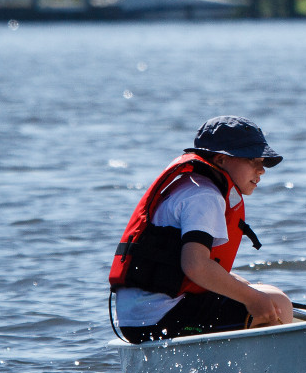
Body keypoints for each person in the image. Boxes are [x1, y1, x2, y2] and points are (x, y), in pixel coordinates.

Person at [109, 116, 293, 343]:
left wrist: (247, 290)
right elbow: (195, 266)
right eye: (252, 159)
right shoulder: (205, 196)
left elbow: (184, 265)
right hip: (158, 318)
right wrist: (254, 299)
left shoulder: (193, 185)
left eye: (262, 161)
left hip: (140, 317)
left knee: (258, 292)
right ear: (221, 159)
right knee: (276, 303)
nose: (261, 169)